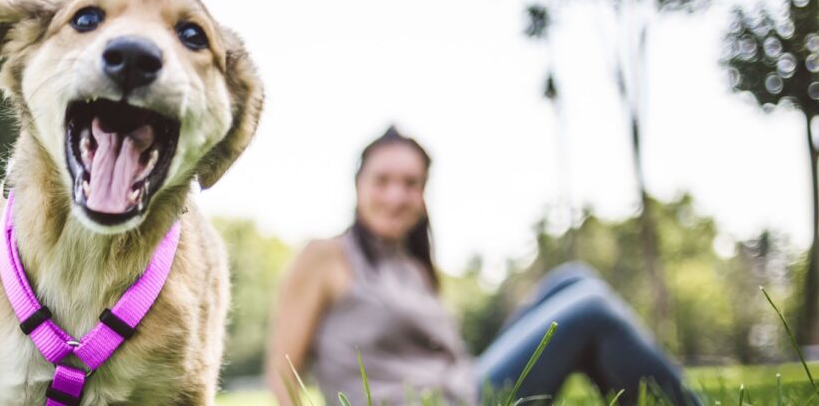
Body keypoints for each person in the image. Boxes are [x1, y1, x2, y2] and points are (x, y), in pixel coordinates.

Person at [264, 127, 699, 405]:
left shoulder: (413, 268)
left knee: (574, 279)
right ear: (359, 185)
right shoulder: (324, 256)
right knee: (590, 310)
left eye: (411, 184)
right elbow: (282, 373)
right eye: (383, 181)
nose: (396, 196)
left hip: (465, 386)